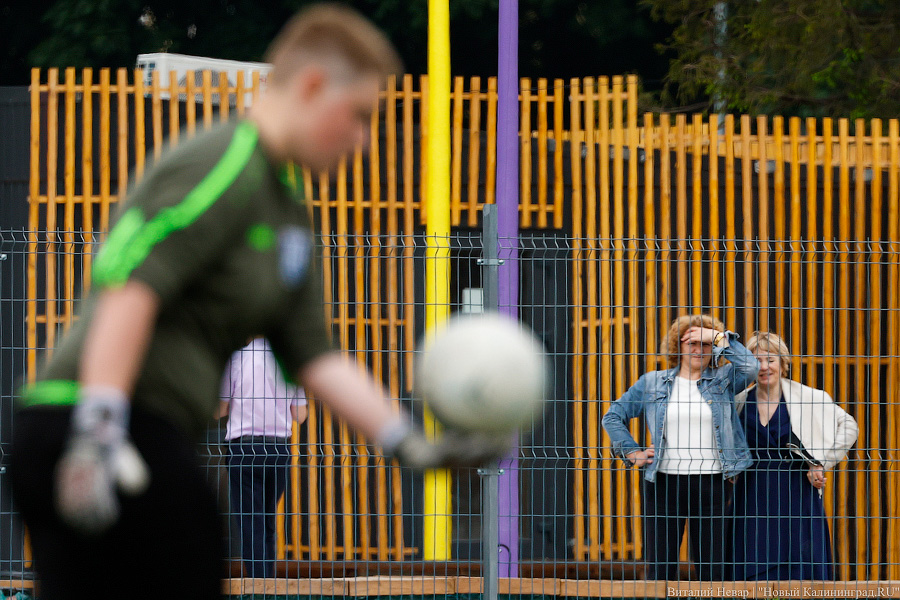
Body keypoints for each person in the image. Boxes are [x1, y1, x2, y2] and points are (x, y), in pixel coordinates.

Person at [8, 5, 506, 600]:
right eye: (360, 116)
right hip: (87, 427)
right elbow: (129, 288)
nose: (365, 140)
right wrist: (95, 434)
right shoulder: (226, 162)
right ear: (313, 85)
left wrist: (412, 444)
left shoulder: (290, 217)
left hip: (152, 435)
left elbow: (318, 359)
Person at [601, 314, 759, 581]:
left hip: (712, 483)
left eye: (706, 344)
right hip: (663, 483)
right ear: (678, 346)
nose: (699, 350)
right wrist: (632, 452)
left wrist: (719, 337)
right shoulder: (652, 382)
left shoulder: (723, 381)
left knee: (712, 569)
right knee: (660, 568)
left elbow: (751, 367)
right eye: (692, 343)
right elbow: (613, 415)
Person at [731, 331, 858, 581]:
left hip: (798, 493)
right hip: (751, 495)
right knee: (750, 571)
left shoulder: (810, 398)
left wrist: (821, 462)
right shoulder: (738, 401)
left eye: (771, 360)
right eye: (756, 361)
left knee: (802, 571)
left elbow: (849, 425)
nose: (764, 367)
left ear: (783, 363)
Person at [220, 337, 307, 578]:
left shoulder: (237, 359)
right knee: (269, 521)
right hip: (279, 448)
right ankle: (268, 584)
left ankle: (259, 588)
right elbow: (300, 415)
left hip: (244, 449)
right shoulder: (287, 361)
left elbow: (220, 409)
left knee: (250, 524)